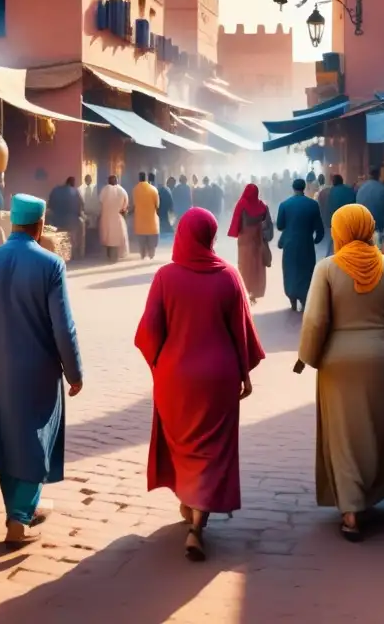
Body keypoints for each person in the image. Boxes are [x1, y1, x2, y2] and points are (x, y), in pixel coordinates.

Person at [135, 208, 264, 561]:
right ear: (211, 236)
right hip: (218, 377)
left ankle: (186, 501)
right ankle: (197, 525)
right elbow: (241, 332)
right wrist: (244, 373)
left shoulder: (165, 276)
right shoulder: (229, 277)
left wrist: (160, 367)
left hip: (176, 376)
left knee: (183, 443)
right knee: (212, 448)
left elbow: (149, 334)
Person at [0, 194, 83, 546]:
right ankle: (20, 517)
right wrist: (74, 372)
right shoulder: (50, 265)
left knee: (6, 436)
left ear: (11, 222)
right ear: (40, 225)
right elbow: (64, 328)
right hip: (40, 367)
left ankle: (18, 509)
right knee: (37, 436)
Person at [296, 204, 384, 541]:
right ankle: (370, 496)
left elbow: (316, 320)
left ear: (341, 230)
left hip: (338, 362)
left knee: (344, 437)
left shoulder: (327, 268)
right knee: (374, 431)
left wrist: (307, 357)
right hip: (379, 359)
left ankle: (350, 513)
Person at [277, 179, 326, 312]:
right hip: (306, 243)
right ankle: (305, 300)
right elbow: (319, 228)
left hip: (290, 244)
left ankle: (292, 299)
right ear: (304, 188)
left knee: (290, 270)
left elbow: (280, 225)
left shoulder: (284, 205)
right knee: (306, 271)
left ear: (293, 188)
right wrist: (317, 239)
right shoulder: (312, 204)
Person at [227, 184, 273, 304]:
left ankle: (246, 291)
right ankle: (256, 291)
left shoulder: (241, 204)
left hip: (245, 240)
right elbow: (268, 223)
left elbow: (236, 221)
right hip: (258, 240)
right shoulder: (262, 206)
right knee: (257, 267)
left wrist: (236, 232)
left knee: (245, 266)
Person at [48, 177, 86, 259]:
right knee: (74, 237)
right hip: (72, 221)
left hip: (57, 221)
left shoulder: (56, 190)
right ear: (72, 183)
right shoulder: (75, 192)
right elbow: (81, 205)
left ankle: (60, 254)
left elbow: (50, 205)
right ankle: (75, 254)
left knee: (60, 239)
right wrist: (80, 214)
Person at [355, 168, 384, 244]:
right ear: (378, 176)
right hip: (376, 226)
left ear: (369, 176)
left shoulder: (361, 188)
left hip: (362, 225)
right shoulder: (383, 189)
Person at [99, 175, 129, 262]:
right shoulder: (122, 190)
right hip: (118, 218)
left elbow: (100, 202)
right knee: (116, 237)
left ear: (108, 181)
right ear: (117, 181)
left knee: (108, 237)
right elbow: (125, 205)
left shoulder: (104, 190)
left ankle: (109, 256)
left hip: (106, 217)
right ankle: (115, 256)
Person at [324, 175, 357, 255]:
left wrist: (328, 223)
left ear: (334, 182)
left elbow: (329, 207)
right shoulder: (349, 190)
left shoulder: (331, 192)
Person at [132, 172, 161, 260]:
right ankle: (151, 255)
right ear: (146, 178)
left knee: (141, 240)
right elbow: (157, 205)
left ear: (139, 178)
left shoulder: (135, 189)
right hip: (151, 221)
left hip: (140, 221)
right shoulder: (153, 189)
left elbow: (134, 204)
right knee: (152, 241)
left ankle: (142, 255)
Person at [83, 174, 100, 256]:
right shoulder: (85, 189)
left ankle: (95, 249)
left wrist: (96, 212)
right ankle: (90, 249)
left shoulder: (95, 188)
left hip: (93, 212)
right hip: (87, 213)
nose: (88, 181)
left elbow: (96, 201)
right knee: (89, 231)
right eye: (86, 180)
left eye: (89, 179)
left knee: (94, 230)